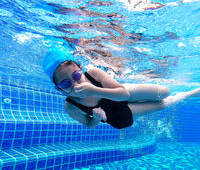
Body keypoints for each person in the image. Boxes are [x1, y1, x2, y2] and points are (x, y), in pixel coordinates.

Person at [42, 46, 200, 129]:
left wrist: (94, 90)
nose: (75, 83)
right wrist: (96, 119)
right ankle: (190, 94)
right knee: (162, 105)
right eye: (65, 83)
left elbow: (124, 95)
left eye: (76, 75)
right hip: (119, 115)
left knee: (165, 92)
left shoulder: (93, 74)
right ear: (59, 89)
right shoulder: (71, 106)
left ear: (81, 69)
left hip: (121, 94)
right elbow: (89, 125)